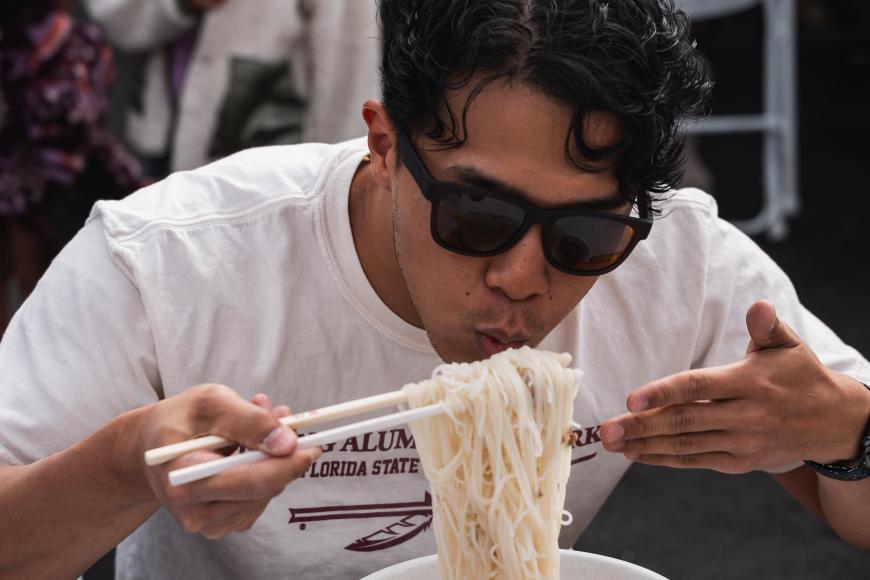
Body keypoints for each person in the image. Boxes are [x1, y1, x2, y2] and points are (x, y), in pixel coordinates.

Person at [0, 1, 868, 578]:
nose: (523, 278)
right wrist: (126, 464)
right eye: (477, 214)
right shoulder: (172, 261)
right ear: (384, 143)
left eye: (586, 235)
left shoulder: (682, 263)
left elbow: (848, 501)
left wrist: (846, 433)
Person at [81, 0, 381, 176]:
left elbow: (350, 73)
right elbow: (112, 14)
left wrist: (337, 184)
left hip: (270, 173)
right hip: (156, 149)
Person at [0, 0, 144, 334]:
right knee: (41, 297)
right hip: (52, 192)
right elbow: (81, 125)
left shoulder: (60, 39)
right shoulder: (70, 41)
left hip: (46, 191)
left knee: (38, 291)